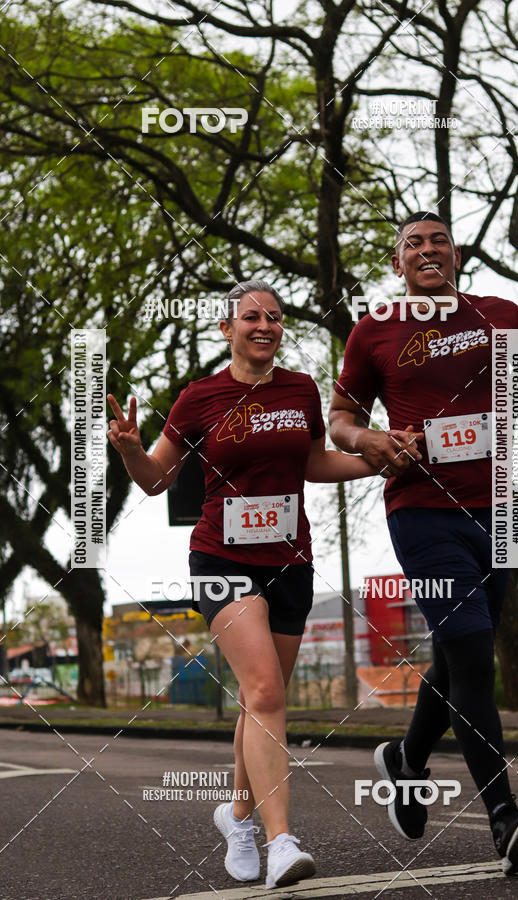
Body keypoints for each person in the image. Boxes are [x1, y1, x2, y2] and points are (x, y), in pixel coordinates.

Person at [329, 212, 518, 875]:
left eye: (438, 240)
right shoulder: (374, 330)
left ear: (455, 255)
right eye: (413, 243)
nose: (427, 249)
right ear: (398, 263)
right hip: (421, 512)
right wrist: (371, 440)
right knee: (474, 656)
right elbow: (341, 420)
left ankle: (407, 759)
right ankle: (504, 818)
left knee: (456, 656)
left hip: (498, 512)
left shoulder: (500, 316)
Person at [107, 280, 376, 889]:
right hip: (221, 559)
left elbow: (314, 463)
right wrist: (129, 451)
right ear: (227, 329)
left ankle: (236, 817)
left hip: (291, 561)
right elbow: (156, 478)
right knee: (264, 690)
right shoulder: (198, 398)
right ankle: (281, 842)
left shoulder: (301, 389)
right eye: (251, 317)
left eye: (274, 317)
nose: (265, 326)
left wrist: (377, 460)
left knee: (263, 701)